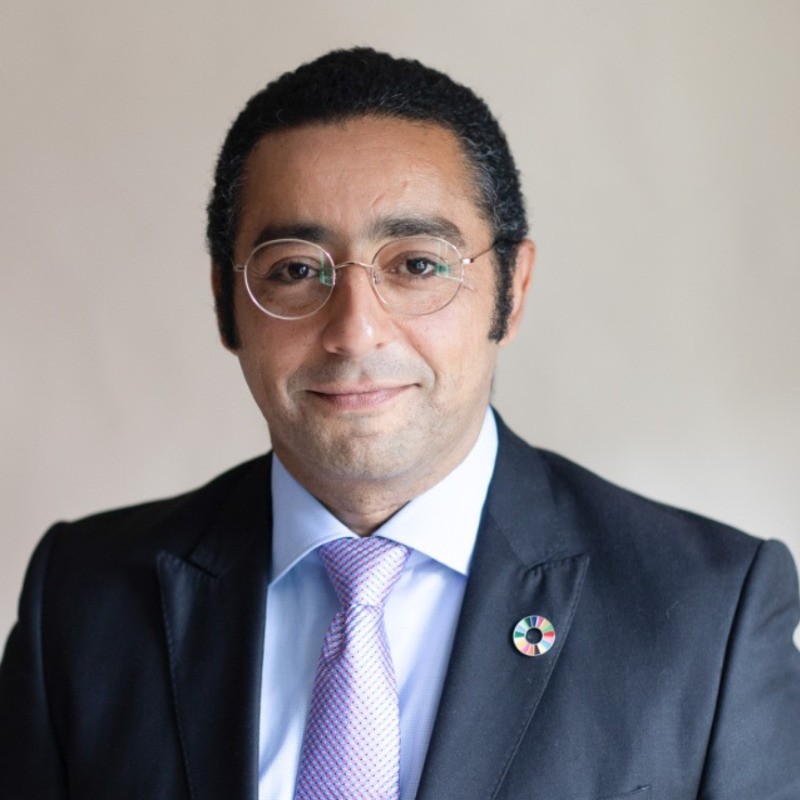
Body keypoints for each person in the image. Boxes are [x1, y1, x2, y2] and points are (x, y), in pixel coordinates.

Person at [1, 47, 798, 800]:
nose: (355, 331)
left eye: (417, 265)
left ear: (512, 289)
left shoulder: (709, 612)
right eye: (295, 270)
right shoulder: (81, 598)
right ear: (225, 303)